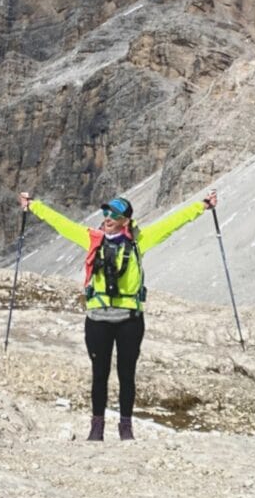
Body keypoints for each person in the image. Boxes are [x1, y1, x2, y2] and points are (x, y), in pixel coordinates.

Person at [18, 188, 218, 441]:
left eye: (113, 213)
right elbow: (62, 224)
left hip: (130, 319)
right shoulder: (92, 238)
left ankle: (126, 428)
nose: (107, 216)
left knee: (127, 374)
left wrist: (203, 206)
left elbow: (173, 222)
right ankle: (97, 428)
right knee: (99, 374)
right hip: (98, 318)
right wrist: (33, 206)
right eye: (105, 212)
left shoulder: (139, 240)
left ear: (126, 220)